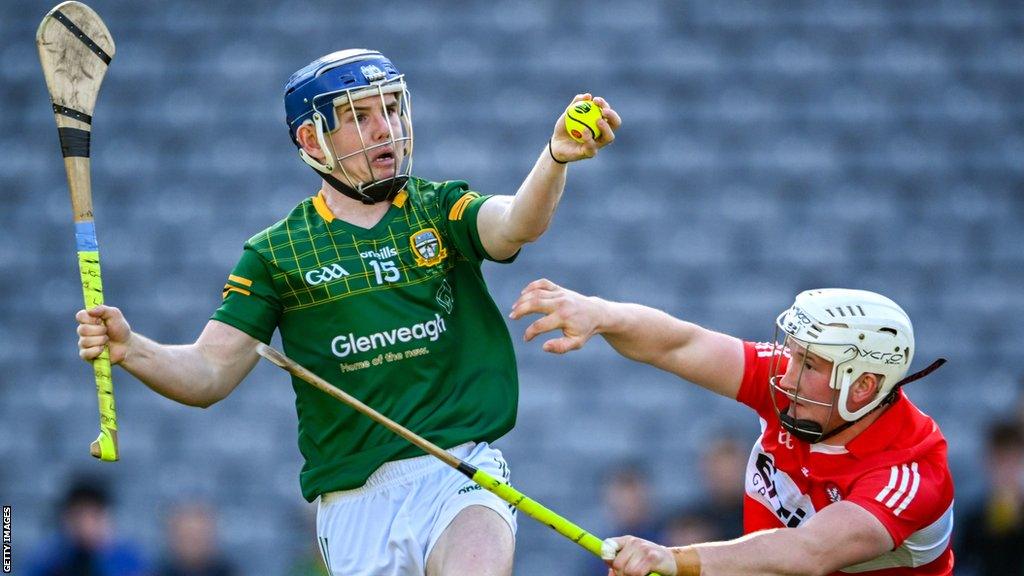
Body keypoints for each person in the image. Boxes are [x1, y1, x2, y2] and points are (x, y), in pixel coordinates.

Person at [74, 49, 620, 576]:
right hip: (356, 505)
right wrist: (131, 349)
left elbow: (514, 224)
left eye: (389, 108)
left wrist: (552, 160)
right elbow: (209, 374)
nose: (385, 128)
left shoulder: (437, 209)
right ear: (312, 139)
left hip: (464, 475)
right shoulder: (276, 254)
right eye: (360, 116)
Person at [510, 281, 953, 575]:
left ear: (863, 387)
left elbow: (809, 552)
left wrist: (675, 559)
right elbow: (683, 344)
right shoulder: (798, 391)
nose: (786, 373)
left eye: (810, 363)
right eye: (794, 354)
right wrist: (601, 313)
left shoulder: (910, 475)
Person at [25, 476, 148, 576]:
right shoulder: (49, 559)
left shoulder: (127, 560)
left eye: (93, 516)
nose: (86, 524)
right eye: (79, 515)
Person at [957, 421, 1024, 575]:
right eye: (1000, 462)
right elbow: (963, 563)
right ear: (988, 463)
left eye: (1012, 461)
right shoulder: (974, 517)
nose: (1006, 470)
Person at [156, 503, 237, 576]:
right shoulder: (158, 572)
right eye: (187, 537)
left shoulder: (230, 572)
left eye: (198, 537)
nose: (193, 545)